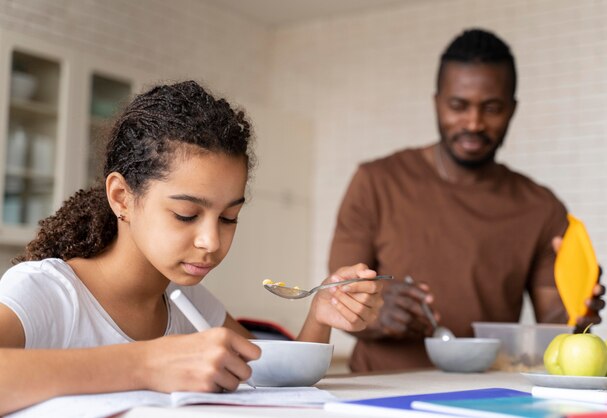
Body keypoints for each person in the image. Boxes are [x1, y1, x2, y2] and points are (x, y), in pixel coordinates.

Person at [0, 81, 384, 414]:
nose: (212, 242)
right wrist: (146, 364)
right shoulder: (48, 292)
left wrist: (321, 314)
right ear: (121, 197)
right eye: (186, 214)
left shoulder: (190, 303)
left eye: (229, 217)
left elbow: (272, 382)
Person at [328, 28, 605, 373]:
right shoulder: (376, 181)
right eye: (458, 106)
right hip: (376, 389)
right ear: (437, 103)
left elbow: (558, 323)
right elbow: (336, 297)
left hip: (485, 395)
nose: (474, 123)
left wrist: (581, 311)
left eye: (491, 108)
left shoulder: (541, 207)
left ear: (512, 110)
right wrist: (376, 313)